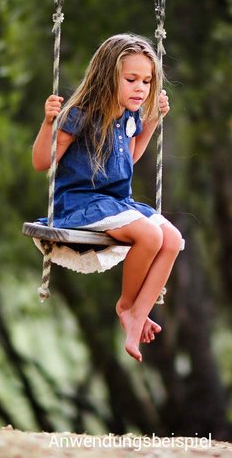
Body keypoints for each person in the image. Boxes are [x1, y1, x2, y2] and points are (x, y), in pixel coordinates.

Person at [32, 33, 183, 362]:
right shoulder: (80, 114)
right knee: (149, 234)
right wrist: (48, 123)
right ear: (107, 76)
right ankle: (127, 306)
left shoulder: (129, 117)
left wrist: (152, 121)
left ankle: (138, 313)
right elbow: (42, 161)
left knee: (171, 239)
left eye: (146, 81)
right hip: (81, 204)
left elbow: (128, 159)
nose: (141, 88)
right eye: (131, 80)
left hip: (116, 202)